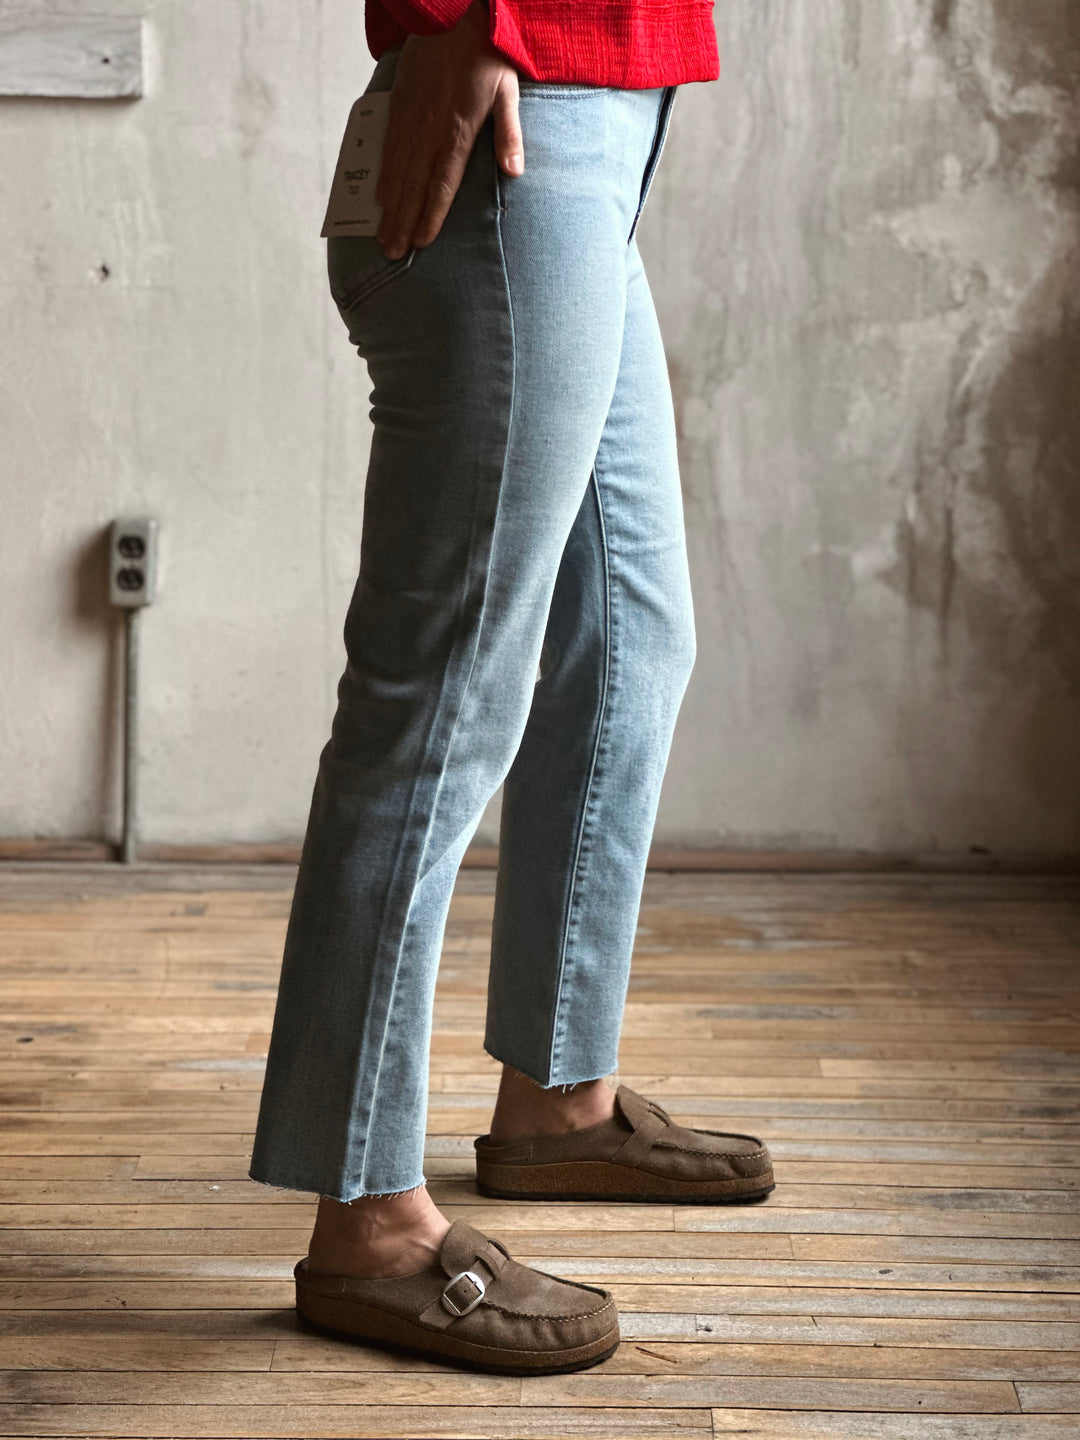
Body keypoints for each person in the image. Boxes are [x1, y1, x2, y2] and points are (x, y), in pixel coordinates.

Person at [248, 0, 774, 1374]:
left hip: (600, 113)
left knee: (632, 629)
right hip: (517, 99)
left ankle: (558, 1092)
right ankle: (367, 1219)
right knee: (442, 696)